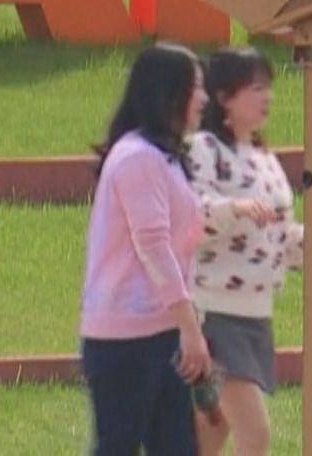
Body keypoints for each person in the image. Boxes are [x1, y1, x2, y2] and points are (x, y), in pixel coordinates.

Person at [187, 47, 312, 456]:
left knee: (211, 431)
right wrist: (235, 209)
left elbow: (277, 235)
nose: (267, 97)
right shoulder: (203, 149)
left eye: (268, 87)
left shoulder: (264, 158)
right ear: (224, 97)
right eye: (255, 88)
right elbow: (189, 216)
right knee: (254, 432)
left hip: (255, 315)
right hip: (215, 316)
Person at [81, 44, 213, 456]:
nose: (204, 99)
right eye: (196, 88)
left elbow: (184, 230)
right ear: (168, 94)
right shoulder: (138, 158)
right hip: (127, 340)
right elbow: (153, 247)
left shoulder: (164, 157)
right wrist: (190, 327)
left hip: (161, 332)